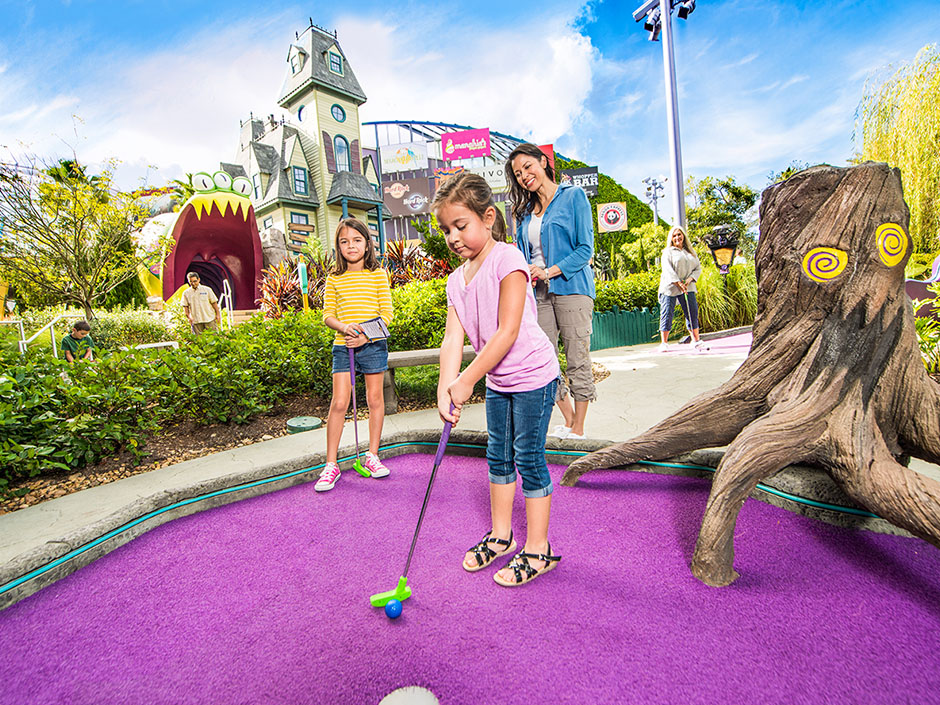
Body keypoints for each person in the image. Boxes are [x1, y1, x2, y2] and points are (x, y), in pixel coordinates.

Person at [435, 172, 562, 587]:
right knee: (498, 457)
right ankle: (502, 536)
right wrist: (444, 387)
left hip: (532, 375)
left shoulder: (507, 258)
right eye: (445, 230)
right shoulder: (456, 281)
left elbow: (507, 332)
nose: (453, 237)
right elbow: (453, 339)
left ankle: (539, 549)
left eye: (461, 225)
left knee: (528, 457)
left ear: (488, 217)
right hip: (499, 381)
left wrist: (467, 380)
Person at [506, 143, 595, 441]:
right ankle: (569, 420)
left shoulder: (573, 197)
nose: (524, 176)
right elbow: (522, 256)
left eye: (528, 167)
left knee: (577, 357)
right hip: (538, 295)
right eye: (518, 174)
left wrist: (549, 270)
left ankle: (580, 428)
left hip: (572, 289)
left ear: (543, 162)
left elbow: (585, 250)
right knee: (544, 359)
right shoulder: (524, 213)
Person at [317, 217, 394, 491]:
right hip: (343, 345)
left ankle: (372, 455)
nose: (351, 245)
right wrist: (345, 328)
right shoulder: (334, 278)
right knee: (339, 403)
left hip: (373, 345)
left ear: (367, 244)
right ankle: (331, 464)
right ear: (338, 246)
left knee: (375, 399)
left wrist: (364, 335)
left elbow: (387, 315)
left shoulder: (378, 275)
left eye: (357, 240)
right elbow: (328, 315)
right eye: (344, 241)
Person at [658, 225, 704, 351]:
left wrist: (689, 280)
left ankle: (695, 340)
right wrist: (678, 283)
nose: (677, 237)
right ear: (671, 238)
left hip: (688, 286)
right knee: (667, 313)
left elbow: (697, 268)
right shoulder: (668, 252)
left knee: (692, 312)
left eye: (679, 234)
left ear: (683, 236)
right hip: (670, 287)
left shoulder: (690, 252)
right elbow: (668, 270)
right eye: (674, 235)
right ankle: (664, 343)